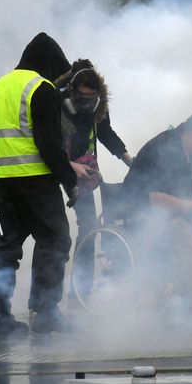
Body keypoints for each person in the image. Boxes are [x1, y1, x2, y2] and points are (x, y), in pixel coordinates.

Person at [0, 32, 78, 336]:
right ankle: (45, 313)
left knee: (7, 246)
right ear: (47, 64)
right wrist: (69, 183)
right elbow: (49, 144)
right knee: (55, 239)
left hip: (6, 182)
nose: (55, 78)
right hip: (37, 182)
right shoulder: (41, 88)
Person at [122, 110, 192, 333]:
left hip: (183, 215)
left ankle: (191, 300)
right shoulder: (162, 149)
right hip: (144, 217)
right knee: (182, 234)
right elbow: (154, 199)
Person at [53, 59, 133, 307]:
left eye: (92, 99)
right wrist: (69, 165)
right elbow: (47, 144)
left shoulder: (99, 108)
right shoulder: (55, 103)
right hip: (53, 167)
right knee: (52, 234)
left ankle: (79, 296)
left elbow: (105, 131)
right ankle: (44, 302)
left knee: (87, 227)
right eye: (83, 99)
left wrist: (128, 158)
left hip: (83, 171)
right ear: (71, 93)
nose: (88, 104)